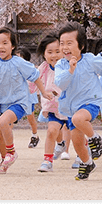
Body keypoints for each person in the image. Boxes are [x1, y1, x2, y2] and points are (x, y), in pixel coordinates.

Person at [0, 27, 52, 174]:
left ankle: (11, 152)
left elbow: (35, 75)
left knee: (3, 122)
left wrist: (43, 92)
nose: (0, 47)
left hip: (18, 102)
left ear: (12, 46)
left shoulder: (18, 62)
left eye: (5, 43)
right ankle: (5, 160)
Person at [55, 22, 102, 180]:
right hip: (71, 107)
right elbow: (60, 83)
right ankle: (87, 162)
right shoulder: (61, 64)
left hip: (90, 103)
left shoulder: (91, 60)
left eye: (69, 43)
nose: (65, 47)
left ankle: (94, 138)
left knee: (79, 118)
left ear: (81, 45)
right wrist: (70, 70)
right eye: (62, 43)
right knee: (77, 142)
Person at [34, 34, 67, 172]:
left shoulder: (68, 66)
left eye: (57, 51)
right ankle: (48, 160)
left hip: (71, 107)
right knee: (52, 131)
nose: (54, 55)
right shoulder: (43, 68)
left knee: (78, 133)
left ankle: (83, 157)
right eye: (50, 52)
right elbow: (33, 80)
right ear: (44, 54)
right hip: (53, 107)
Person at [17, 46, 41, 148]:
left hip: (28, 96)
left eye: (19, 58)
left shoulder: (30, 68)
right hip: (15, 97)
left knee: (30, 117)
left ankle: (35, 136)